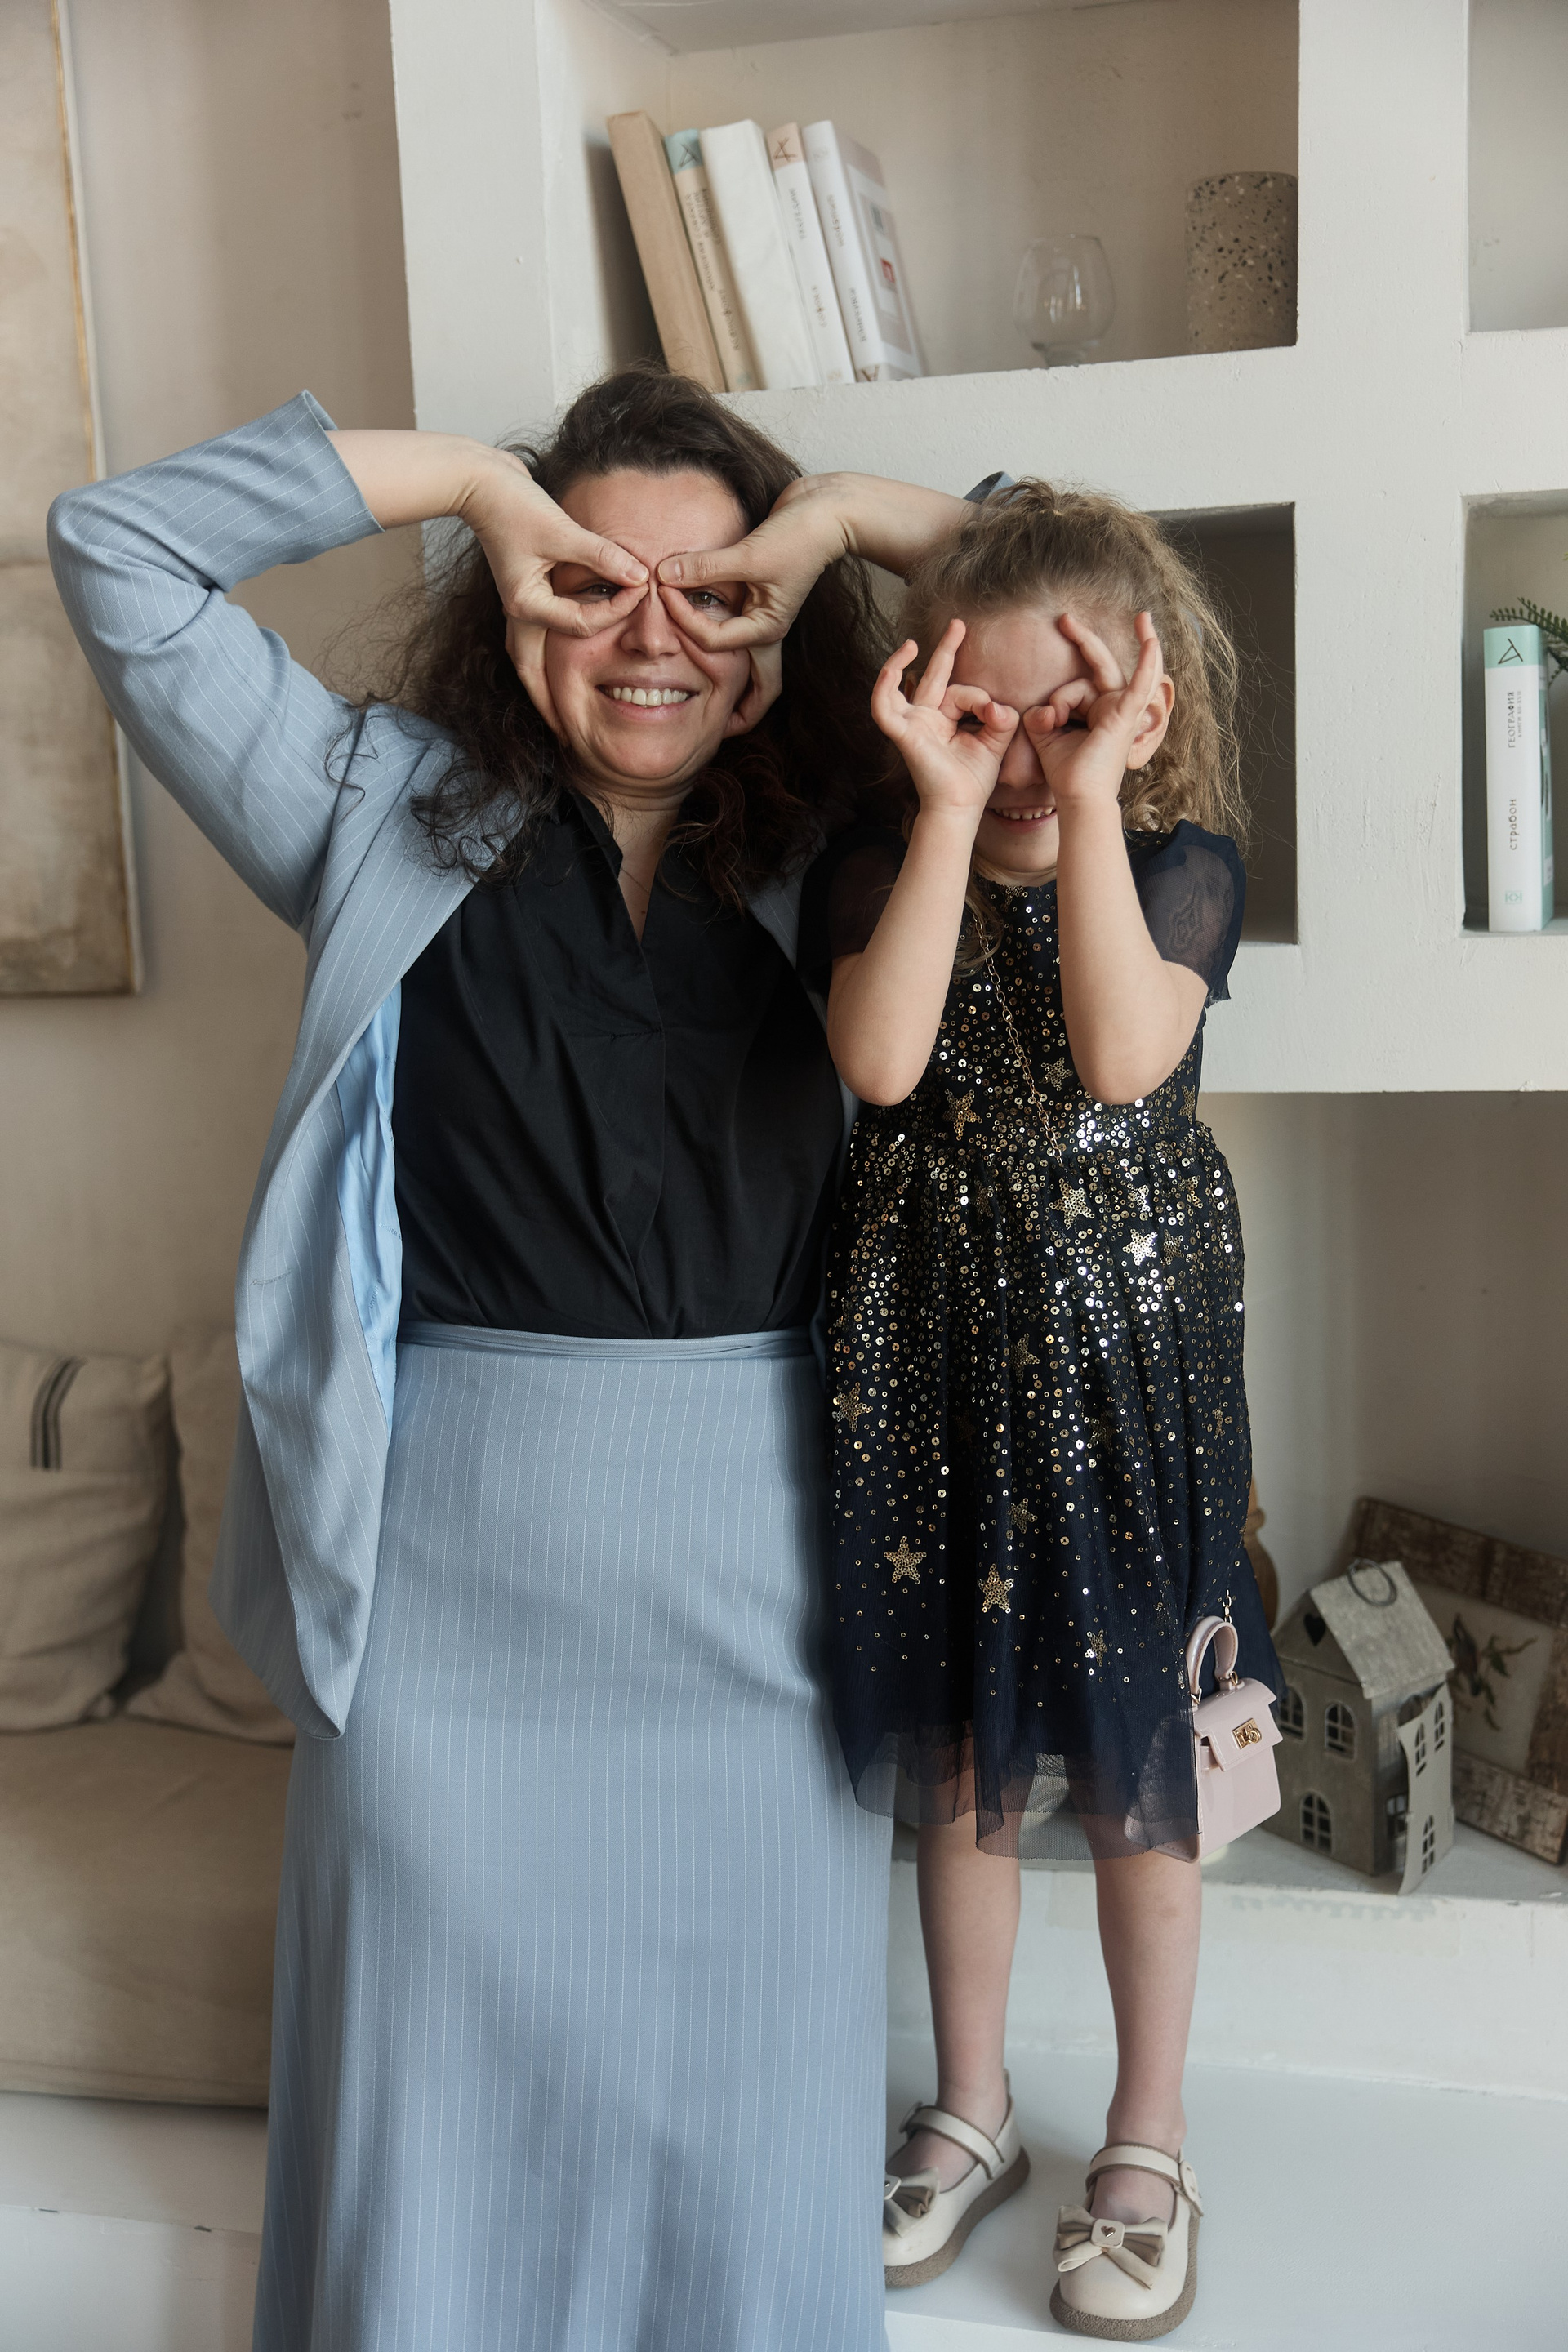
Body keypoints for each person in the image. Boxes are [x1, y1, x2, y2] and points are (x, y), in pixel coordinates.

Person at [47, 366, 984, 2352]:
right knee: (437, 2147)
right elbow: (112, 549)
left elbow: (1079, 624)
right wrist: (474, 482)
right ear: (517, 596)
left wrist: (829, 523)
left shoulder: (855, 849)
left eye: (712, 592)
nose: (651, 635)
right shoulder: (373, 810)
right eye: (592, 579)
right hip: (446, 1608)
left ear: (775, 625)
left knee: (739, 2146)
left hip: (764, 1595)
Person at [800, 481, 1281, 2340]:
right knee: (964, 1774)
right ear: (924, 702)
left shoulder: (1177, 867)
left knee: (1147, 1787)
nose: (1020, 759)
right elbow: (880, 1060)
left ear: (1145, 706)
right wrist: (941, 810)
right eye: (981, 717)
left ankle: (1149, 2134)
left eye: (1066, 717)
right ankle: (974, 2103)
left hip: (1128, 1387)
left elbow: (1116, 1052)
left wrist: (1089, 798)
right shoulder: (881, 862)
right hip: (934, 1382)